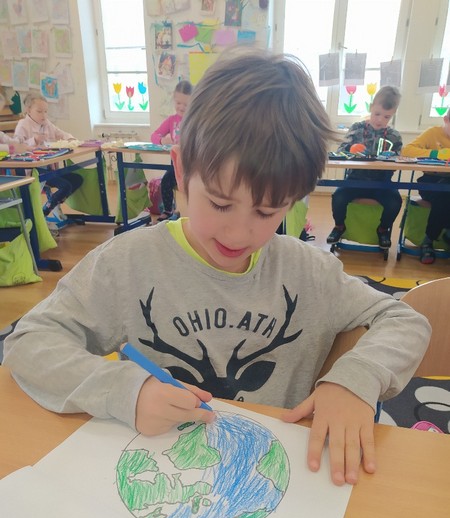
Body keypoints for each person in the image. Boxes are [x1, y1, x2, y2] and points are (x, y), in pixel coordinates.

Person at [4, 49, 430, 487]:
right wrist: (126, 391)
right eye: (220, 203)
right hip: (170, 474)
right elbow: (29, 342)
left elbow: (405, 320)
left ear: (294, 201)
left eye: (266, 212)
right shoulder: (126, 263)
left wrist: (355, 380)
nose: (239, 233)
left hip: (277, 480)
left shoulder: (310, 272)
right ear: (181, 169)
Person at [326, 86, 403, 249]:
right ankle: (339, 226)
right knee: (338, 197)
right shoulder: (357, 128)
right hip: (355, 180)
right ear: (371, 107)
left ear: (393, 114)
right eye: (377, 114)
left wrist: (391, 159)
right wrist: (350, 149)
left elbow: (397, 160)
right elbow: (340, 151)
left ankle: (383, 229)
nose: (380, 120)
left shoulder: (394, 136)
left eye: (387, 117)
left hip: (382, 183)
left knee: (395, 202)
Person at [14, 91, 83, 218]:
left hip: (48, 167)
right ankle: (44, 212)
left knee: (77, 179)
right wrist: (33, 140)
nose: (44, 115)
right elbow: (16, 147)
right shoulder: (23, 125)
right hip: (34, 170)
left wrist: (71, 139)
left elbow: (60, 133)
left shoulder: (46, 123)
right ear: (28, 110)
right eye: (39, 112)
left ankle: (54, 202)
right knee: (66, 186)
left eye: (46, 111)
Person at [400, 109, 450, 264]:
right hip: (430, 181)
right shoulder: (432, 133)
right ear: (446, 119)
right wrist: (436, 154)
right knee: (444, 196)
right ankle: (429, 239)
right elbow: (407, 151)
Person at [151, 80, 193, 220]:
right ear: (174, 100)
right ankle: (169, 211)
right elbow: (154, 136)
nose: (181, 107)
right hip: (176, 166)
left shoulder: (194, 120)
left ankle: (196, 214)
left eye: (186, 104)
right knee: (166, 180)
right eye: (178, 103)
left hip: (192, 167)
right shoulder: (171, 121)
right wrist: (163, 140)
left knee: (194, 187)